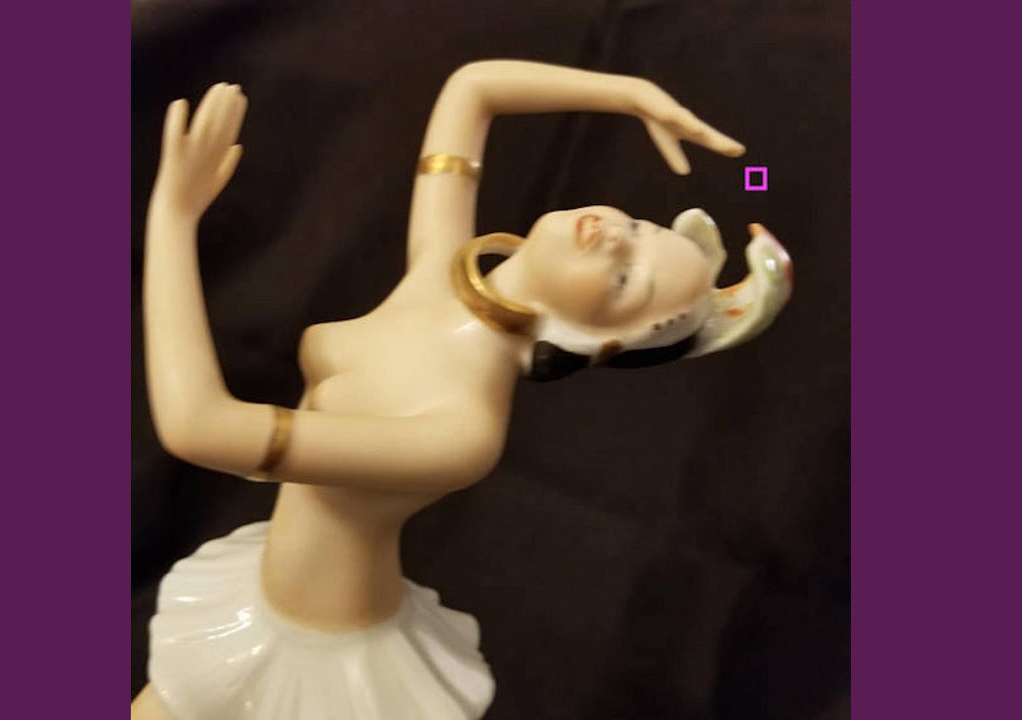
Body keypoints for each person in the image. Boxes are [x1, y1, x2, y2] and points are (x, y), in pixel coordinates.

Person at [133, 60, 791, 720]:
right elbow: (473, 91)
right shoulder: (439, 273)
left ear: (603, 341)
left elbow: (200, 426)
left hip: (322, 654)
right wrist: (629, 93)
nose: (615, 236)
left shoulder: (460, 430)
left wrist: (173, 219)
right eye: (641, 229)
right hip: (266, 600)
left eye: (626, 281)